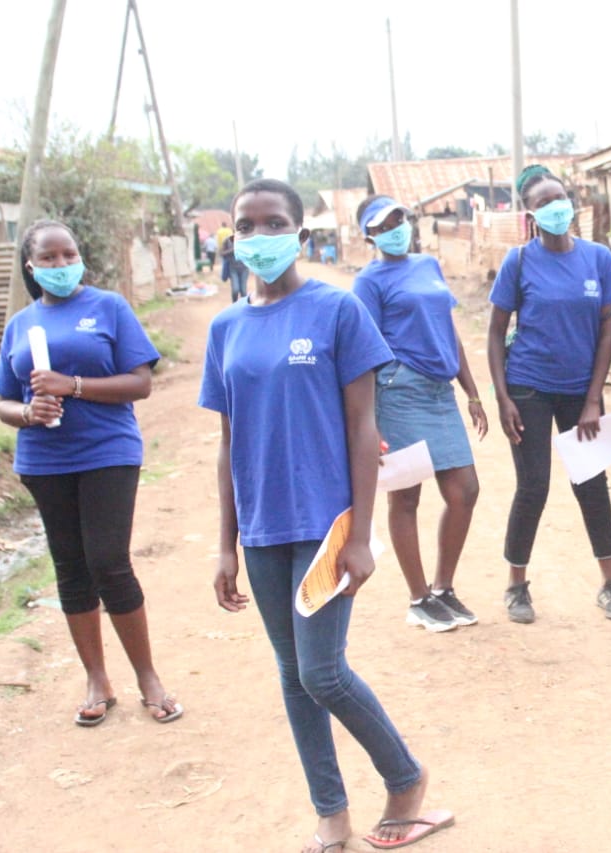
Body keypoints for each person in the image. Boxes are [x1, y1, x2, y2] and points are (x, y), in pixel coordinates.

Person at [200, 179, 452, 851]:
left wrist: (363, 534)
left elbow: (363, 425)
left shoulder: (338, 311)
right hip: (260, 529)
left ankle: (406, 776)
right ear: (232, 237)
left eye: (273, 221)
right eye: (246, 225)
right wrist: (225, 545)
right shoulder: (224, 328)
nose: (260, 235)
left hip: (325, 525)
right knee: (292, 674)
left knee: (322, 670)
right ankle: (331, 812)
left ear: (300, 228)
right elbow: (228, 444)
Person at [0, 218, 181, 727]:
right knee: (70, 565)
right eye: (49, 258)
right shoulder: (21, 324)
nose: (61, 265)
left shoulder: (108, 308)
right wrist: (28, 413)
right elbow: (4, 402)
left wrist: (72, 385)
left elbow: (140, 383)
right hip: (44, 458)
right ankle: (97, 678)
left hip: (107, 452)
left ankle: (148, 676)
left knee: (108, 561)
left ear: (80, 258)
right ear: (31, 267)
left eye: (68, 255)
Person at [486, 164, 611, 622]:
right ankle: (516, 587)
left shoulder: (598, 259)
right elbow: (495, 333)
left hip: (580, 391)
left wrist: (593, 399)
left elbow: (607, 330)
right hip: (528, 386)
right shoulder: (519, 262)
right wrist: (503, 397)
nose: (555, 206)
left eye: (559, 197)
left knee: (592, 484)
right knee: (533, 486)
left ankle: (610, 584)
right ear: (530, 214)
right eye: (544, 202)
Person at [353, 195, 488, 633]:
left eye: (400, 219)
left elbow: (448, 330)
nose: (395, 227)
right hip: (398, 390)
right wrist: (368, 422)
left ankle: (443, 588)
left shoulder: (427, 266)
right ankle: (418, 598)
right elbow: (363, 351)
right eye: (383, 224)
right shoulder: (368, 282)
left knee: (464, 490)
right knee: (406, 495)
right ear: (369, 235)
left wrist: (471, 391)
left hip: (440, 390)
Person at [220, 229, 249, 303]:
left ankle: (243, 308)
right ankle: (234, 305)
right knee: (235, 290)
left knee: (243, 291)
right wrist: (232, 250)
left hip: (244, 269)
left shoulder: (246, 241)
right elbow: (222, 253)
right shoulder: (227, 240)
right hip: (233, 269)